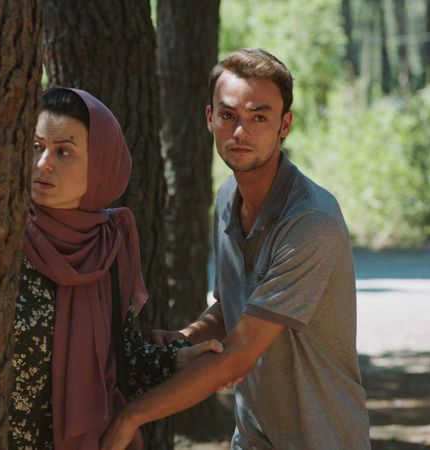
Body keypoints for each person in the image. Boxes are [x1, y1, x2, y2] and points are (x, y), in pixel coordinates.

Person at [101, 48, 371, 449]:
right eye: (228, 115)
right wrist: (184, 339)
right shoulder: (229, 197)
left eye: (259, 117)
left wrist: (130, 418)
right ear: (209, 117)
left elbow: (240, 354)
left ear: (284, 125)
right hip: (252, 436)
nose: (240, 132)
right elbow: (233, 308)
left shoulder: (311, 222)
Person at [11, 87, 221, 450]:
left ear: (101, 166)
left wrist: (177, 359)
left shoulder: (107, 247)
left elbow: (121, 359)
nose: (43, 163)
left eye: (63, 152)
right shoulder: (4, 237)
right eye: (37, 146)